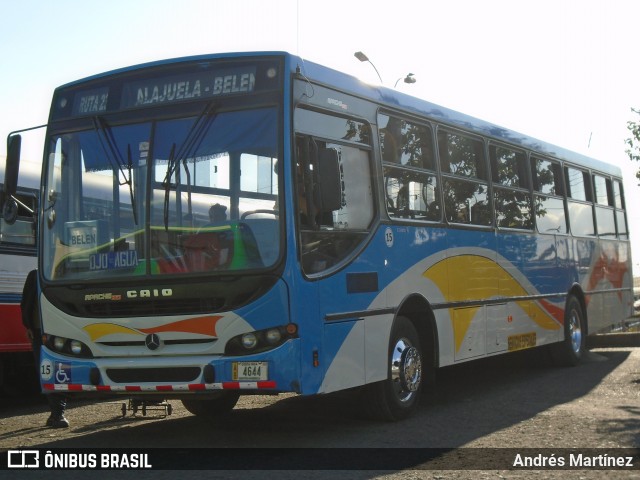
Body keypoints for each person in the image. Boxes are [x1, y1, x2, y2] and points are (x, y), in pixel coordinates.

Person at [21, 269, 69, 428]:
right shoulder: (35, 275)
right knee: (47, 371)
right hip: (38, 332)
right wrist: (27, 325)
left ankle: (58, 413)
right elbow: (26, 301)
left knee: (58, 371)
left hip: (58, 333)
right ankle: (57, 413)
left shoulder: (63, 274)